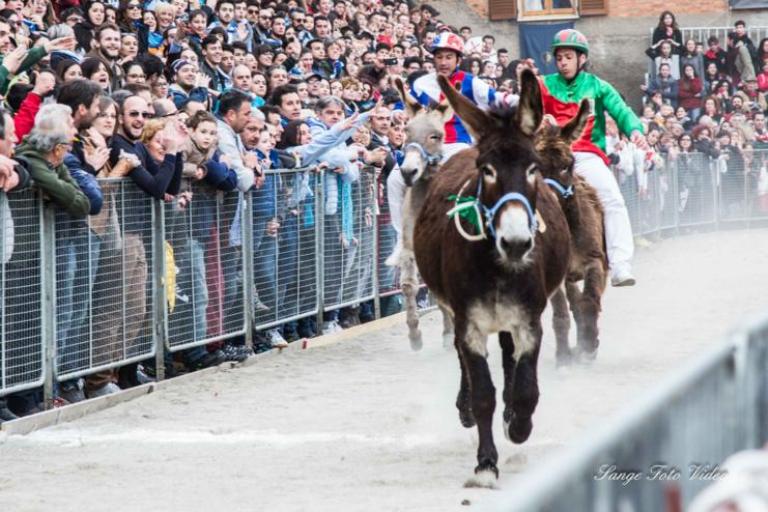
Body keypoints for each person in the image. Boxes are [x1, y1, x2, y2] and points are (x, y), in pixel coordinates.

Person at [535, 28, 646, 286]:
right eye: (559, 57)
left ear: (581, 59)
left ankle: (620, 265)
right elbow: (526, 112)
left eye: (568, 57)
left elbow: (622, 110)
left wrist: (635, 130)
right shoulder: (543, 85)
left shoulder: (599, 86)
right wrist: (539, 121)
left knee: (613, 200)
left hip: (586, 155)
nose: (562, 63)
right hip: (551, 158)